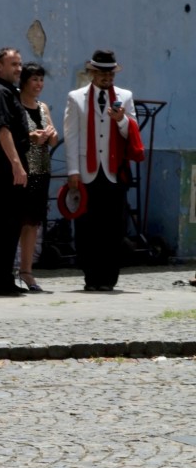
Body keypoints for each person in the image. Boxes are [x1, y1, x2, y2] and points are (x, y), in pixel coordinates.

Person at [64, 49, 141, 291]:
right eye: (102, 73)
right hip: (86, 171)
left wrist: (121, 120)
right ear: (92, 73)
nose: (107, 77)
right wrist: (73, 171)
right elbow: (71, 135)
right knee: (87, 227)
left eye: (111, 73)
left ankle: (108, 278)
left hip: (113, 170)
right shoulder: (76, 98)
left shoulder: (124, 96)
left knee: (112, 227)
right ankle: (91, 276)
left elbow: (132, 132)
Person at [0, 47, 30, 295]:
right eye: (13, 64)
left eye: (20, 64)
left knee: (12, 222)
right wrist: (16, 163)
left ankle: (5, 278)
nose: (18, 69)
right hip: (4, 165)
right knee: (4, 222)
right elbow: (3, 130)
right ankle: (0, 280)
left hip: (11, 161)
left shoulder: (11, 92)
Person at [17, 62, 58, 292]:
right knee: (18, 220)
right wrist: (31, 136)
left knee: (34, 222)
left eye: (41, 80)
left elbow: (53, 139)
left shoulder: (43, 108)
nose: (39, 84)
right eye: (35, 79)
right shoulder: (16, 106)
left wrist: (51, 134)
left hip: (42, 170)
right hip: (23, 169)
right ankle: (13, 268)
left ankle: (27, 271)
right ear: (24, 81)